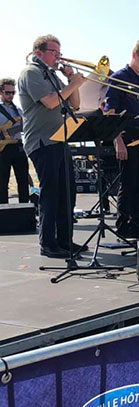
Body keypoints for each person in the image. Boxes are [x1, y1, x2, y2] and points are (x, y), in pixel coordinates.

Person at [18, 34, 86, 258]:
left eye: (59, 52)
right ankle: (48, 242)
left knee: (67, 191)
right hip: (42, 140)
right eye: (54, 52)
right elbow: (49, 102)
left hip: (59, 138)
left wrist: (71, 82)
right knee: (51, 192)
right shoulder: (31, 73)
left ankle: (65, 240)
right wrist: (75, 83)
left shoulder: (53, 76)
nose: (59, 56)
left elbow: (74, 104)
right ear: (39, 53)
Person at [104, 39, 139, 240]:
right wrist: (117, 140)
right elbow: (110, 110)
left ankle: (135, 223)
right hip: (126, 133)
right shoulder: (119, 77)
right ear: (134, 55)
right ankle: (123, 225)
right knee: (128, 182)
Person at [0, 78, 29, 204]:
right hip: (3, 150)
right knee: (2, 183)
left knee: (23, 181)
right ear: (1, 92)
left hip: (18, 147)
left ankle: (25, 211)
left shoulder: (18, 110)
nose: (10, 95)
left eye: (13, 93)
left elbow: (26, 126)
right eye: (7, 93)